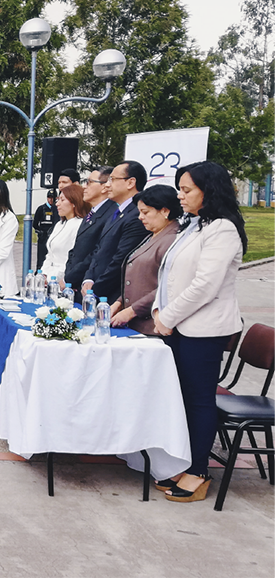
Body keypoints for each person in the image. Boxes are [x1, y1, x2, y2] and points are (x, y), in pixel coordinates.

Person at [152, 161, 247, 502]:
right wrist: (158, 311)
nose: (181, 195)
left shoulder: (222, 229)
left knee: (199, 400)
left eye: (187, 190)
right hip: (179, 325)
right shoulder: (194, 226)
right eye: (180, 188)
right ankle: (187, 463)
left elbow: (205, 285)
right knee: (183, 399)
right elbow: (169, 275)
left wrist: (170, 316)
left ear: (210, 191)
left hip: (203, 330)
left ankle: (199, 471)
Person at [109, 184, 182, 335]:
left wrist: (132, 311)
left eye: (145, 212)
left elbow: (167, 287)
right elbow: (137, 277)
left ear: (165, 211)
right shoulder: (152, 235)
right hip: (135, 322)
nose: (140, 217)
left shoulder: (173, 239)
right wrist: (119, 302)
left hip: (152, 324)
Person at [82, 160, 151, 301]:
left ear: (130, 183)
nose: (107, 185)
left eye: (112, 180)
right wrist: (88, 278)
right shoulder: (117, 211)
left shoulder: (137, 215)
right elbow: (99, 250)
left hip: (112, 296)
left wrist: (96, 290)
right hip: (94, 291)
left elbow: (121, 259)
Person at [63, 166, 116, 293]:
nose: (84, 187)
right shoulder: (91, 213)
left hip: (90, 286)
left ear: (104, 186)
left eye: (89, 182)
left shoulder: (111, 214)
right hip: (75, 284)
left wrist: (71, 278)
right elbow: (76, 250)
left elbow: (96, 253)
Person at [38, 183, 87, 282]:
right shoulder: (59, 224)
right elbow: (50, 254)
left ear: (74, 202)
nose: (57, 204)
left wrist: (54, 277)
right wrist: (43, 274)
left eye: (62, 200)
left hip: (63, 280)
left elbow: (72, 259)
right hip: (49, 278)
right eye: (58, 200)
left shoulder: (79, 225)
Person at [33, 189, 57, 268]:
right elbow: (35, 223)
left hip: (54, 236)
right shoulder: (41, 208)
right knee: (41, 257)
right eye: (49, 197)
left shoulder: (57, 209)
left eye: (52, 198)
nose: (51, 200)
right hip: (43, 237)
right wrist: (40, 231)